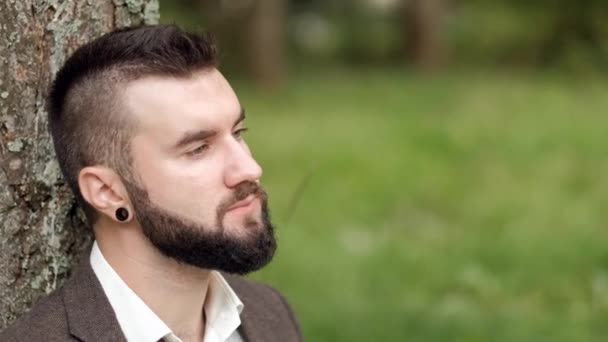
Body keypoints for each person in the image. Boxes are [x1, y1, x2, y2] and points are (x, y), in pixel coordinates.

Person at [0, 24, 302, 342]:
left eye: (238, 133)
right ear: (107, 192)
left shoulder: (270, 314)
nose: (249, 168)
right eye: (198, 148)